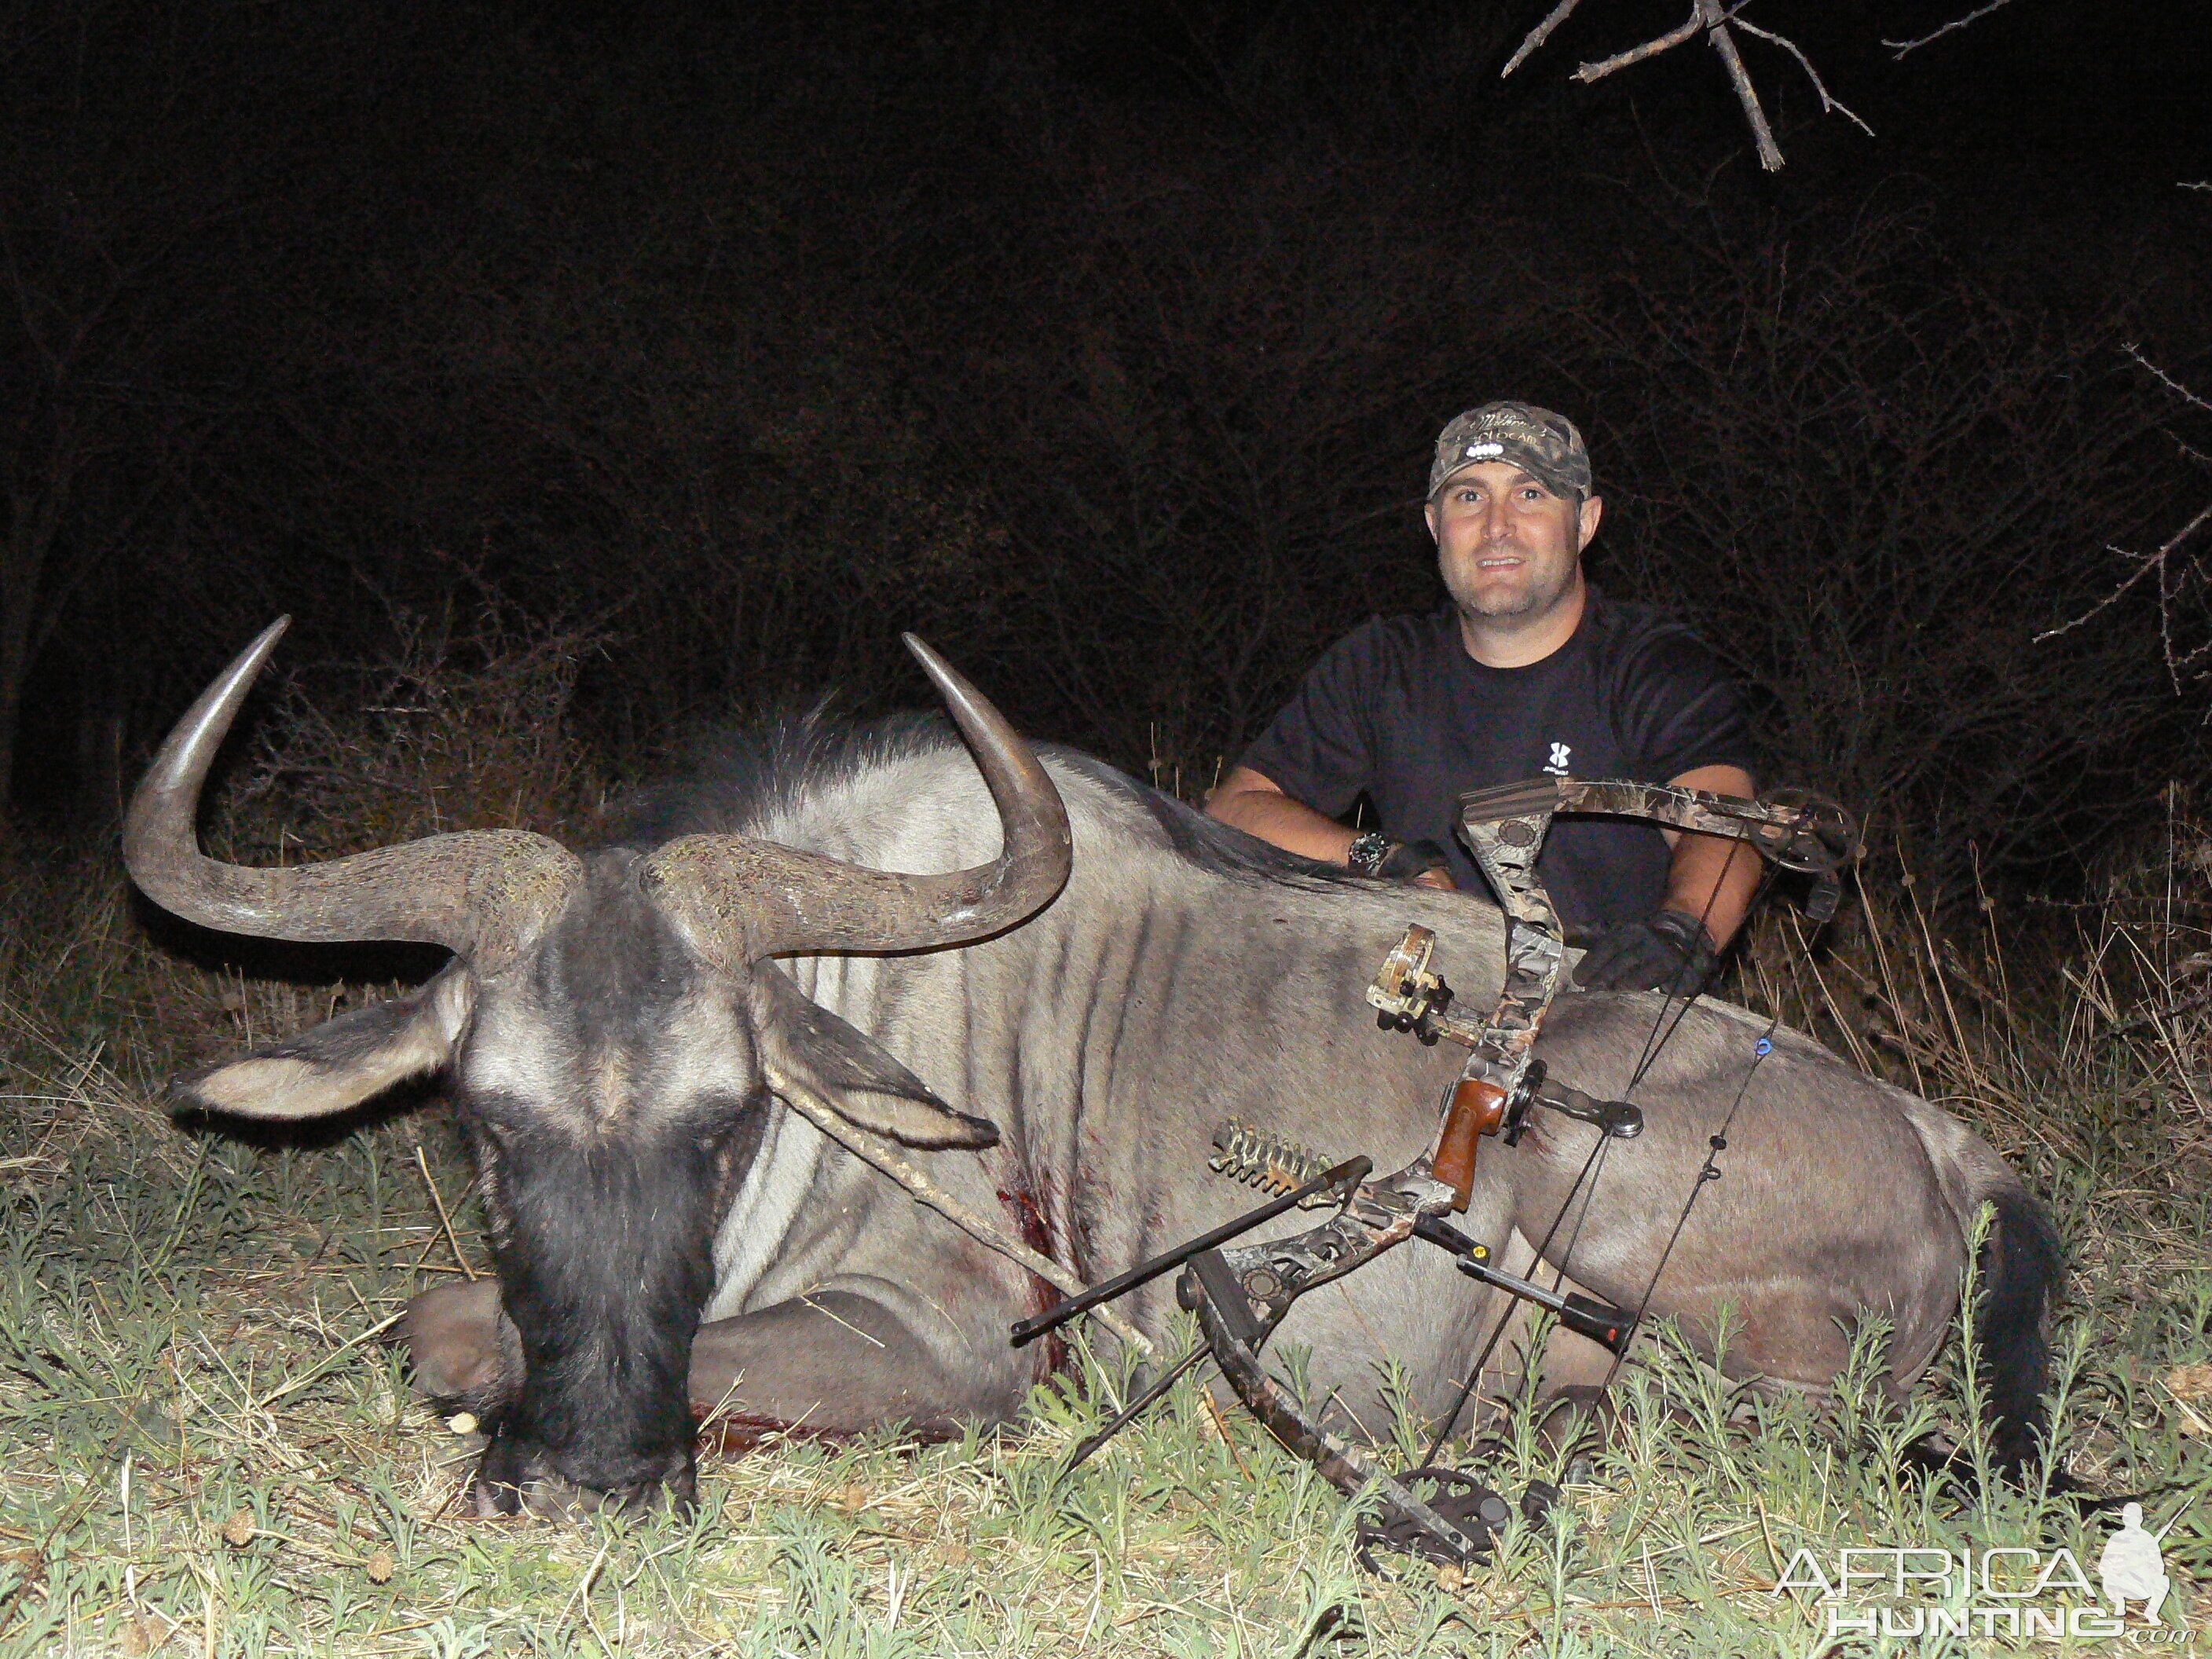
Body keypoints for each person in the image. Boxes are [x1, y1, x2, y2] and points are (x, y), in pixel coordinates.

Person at [1206, 401, 1760, 994]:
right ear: (1433, 525)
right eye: (1469, 497)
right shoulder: (1381, 664)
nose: (1497, 526)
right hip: (1431, 1013)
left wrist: (1682, 933)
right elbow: (1234, 807)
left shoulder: (1649, 662)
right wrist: (1378, 857)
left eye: (1530, 495)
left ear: (1586, 522)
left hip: (1610, 1007)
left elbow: (1727, 822)